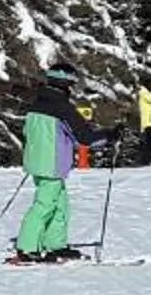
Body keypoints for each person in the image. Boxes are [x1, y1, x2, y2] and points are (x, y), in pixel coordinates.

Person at [13, 61, 107, 262]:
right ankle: (27, 247)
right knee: (45, 204)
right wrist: (111, 135)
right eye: (72, 84)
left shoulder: (36, 104)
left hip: (39, 162)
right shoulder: (62, 108)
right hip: (51, 164)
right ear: (65, 84)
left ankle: (55, 244)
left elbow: (27, 133)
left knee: (60, 205)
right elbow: (84, 138)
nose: (73, 88)